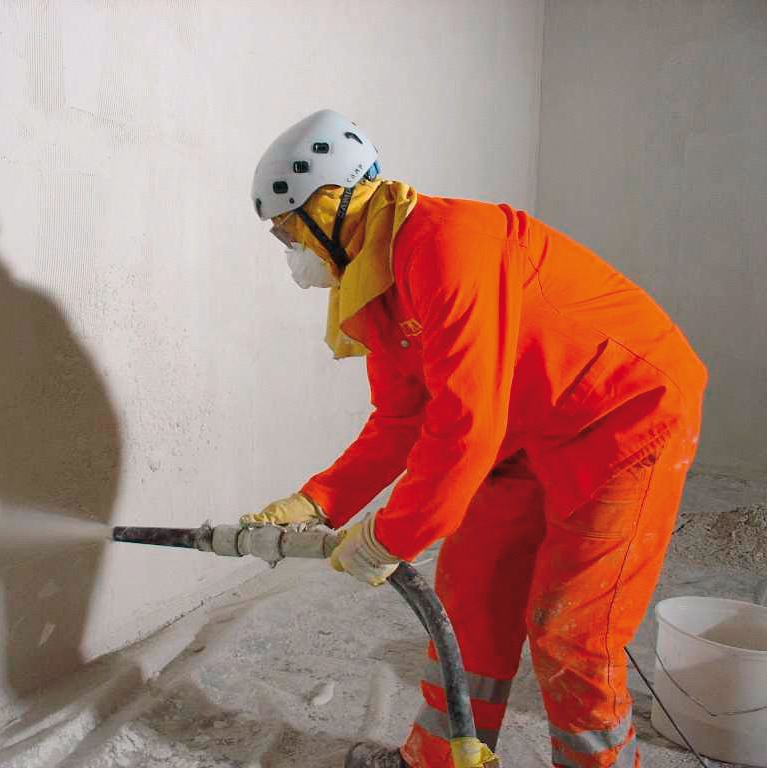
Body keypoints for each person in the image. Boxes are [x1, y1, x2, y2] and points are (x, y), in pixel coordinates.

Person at [242, 110, 707, 768]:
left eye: (289, 231)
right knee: (472, 599)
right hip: (525, 426)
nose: (292, 251)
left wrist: (389, 537)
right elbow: (403, 421)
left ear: (330, 206)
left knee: (571, 633)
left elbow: (465, 429)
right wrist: (318, 502)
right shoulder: (378, 284)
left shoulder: (446, 243)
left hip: (623, 413)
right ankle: (440, 758)